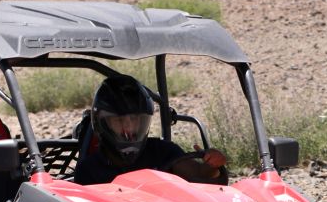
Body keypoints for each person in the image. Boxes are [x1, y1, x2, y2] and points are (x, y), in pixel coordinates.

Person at [74, 74, 227, 186]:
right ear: (102, 124)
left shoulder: (162, 152)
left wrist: (211, 166)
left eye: (134, 119)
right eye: (119, 120)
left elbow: (198, 174)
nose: (128, 127)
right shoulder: (89, 169)